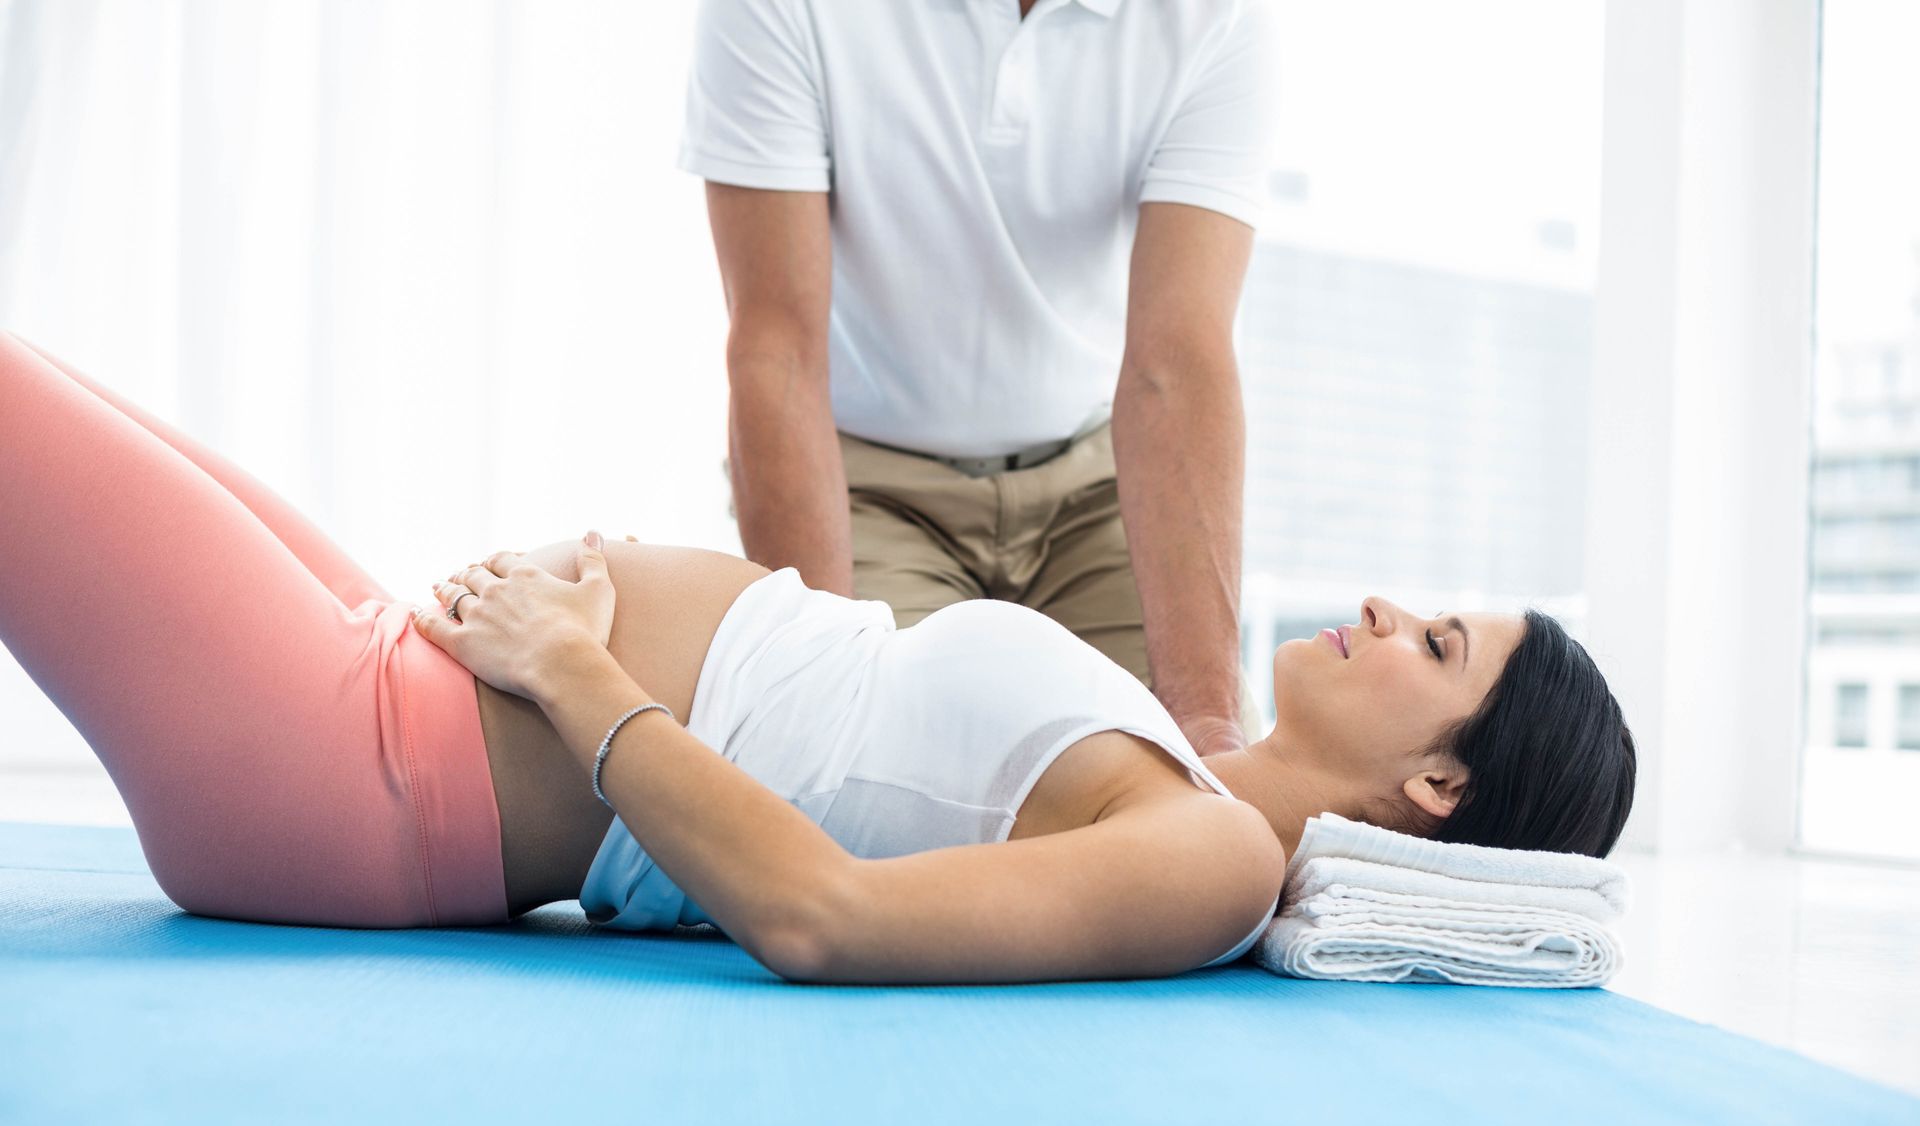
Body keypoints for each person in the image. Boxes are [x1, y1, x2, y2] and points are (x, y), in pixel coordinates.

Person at [0, 333, 1636, 985]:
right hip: (397, 674)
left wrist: (575, 665)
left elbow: (819, 916)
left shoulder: (1208, 860)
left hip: (359, 767)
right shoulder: (1177, 762)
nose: (1383, 608)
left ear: (1441, 780)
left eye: (1437, 644)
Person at [690, 0, 1278, 760]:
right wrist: (825, 703)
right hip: (869, 487)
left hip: (1095, 488)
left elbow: (1176, 364)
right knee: (879, 767)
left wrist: (1207, 727)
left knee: (1184, 782)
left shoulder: (1218, 16)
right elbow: (778, 353)